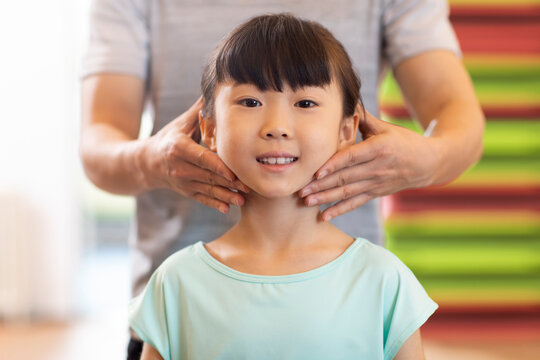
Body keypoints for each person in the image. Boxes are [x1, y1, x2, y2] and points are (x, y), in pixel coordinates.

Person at [79, 0, 484, 358]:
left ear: (349, 128)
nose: (277, 126)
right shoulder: (173, 284)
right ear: (209, 128)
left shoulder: (383, 282)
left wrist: (429, 158)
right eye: (251, 101)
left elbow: (457, 116)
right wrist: (150, 158)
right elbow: (99, 137)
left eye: (305, 102)